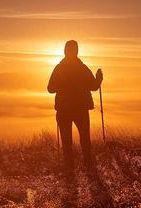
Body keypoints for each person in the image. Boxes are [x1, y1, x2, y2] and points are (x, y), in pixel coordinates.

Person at [47, 40, 103, 170]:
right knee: (84, 139)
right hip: (80, 109)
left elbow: (50, 88)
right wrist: (99, 78)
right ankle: (88, 166)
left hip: (64, 110)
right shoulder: (82, 68)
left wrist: (60, 84)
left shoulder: (59, 68)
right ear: (76, 51)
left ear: (65, 51)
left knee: (66, 141)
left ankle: (69, 169)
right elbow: (94, 86)